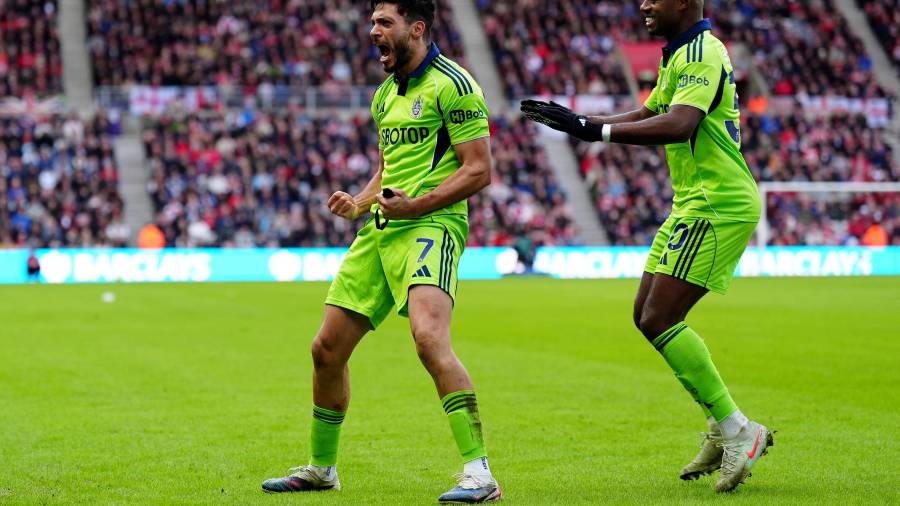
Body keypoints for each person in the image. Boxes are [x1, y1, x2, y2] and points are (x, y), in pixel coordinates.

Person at [521, 0, 773, 494]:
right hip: (691, 203)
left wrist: (596, 132)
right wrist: (581, 123)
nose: (643, 4)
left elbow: (679, 124)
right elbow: (648, 113)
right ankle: (723, 426)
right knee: (645, 315)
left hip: (717, 203)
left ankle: (739, 429)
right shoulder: (678, 53)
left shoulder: (702, 52)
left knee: (661, 317)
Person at [261, 1, 500, 502]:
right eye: (372, 22)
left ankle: (480, 474)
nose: (373, 31)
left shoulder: (455, 84)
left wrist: (416, 206)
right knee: (326, 350)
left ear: (416, 28)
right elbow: (389, 168)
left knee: (428, 338)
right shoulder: (385, 94)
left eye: (384, 22)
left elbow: (479, 169)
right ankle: (322, 469)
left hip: (432, 224)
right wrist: (359, 202)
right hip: (382, 228)